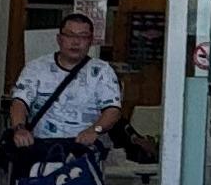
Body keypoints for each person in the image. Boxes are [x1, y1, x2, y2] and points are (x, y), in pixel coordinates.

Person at [11, 8, 130, 156]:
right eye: (70, 35)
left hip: (83, 151)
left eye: (83, 36)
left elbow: (113, 110)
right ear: (59, 39)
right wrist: (19, 128)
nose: (76, 42)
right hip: (40, 149)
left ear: (91, 41)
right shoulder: (36, 68)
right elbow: (19, 102)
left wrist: (95, 130)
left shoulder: (103, 71)